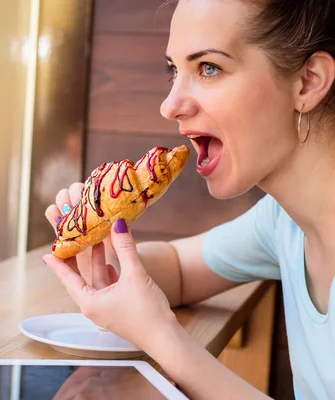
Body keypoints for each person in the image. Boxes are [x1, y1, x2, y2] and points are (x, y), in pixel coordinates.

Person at [43, 0, 335, 398]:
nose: (169, 106)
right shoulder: (283, 222)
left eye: (208, 68)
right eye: (173, 71)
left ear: (308, 81)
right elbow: (178, 269)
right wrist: (106, 255)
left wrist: (162, 337)